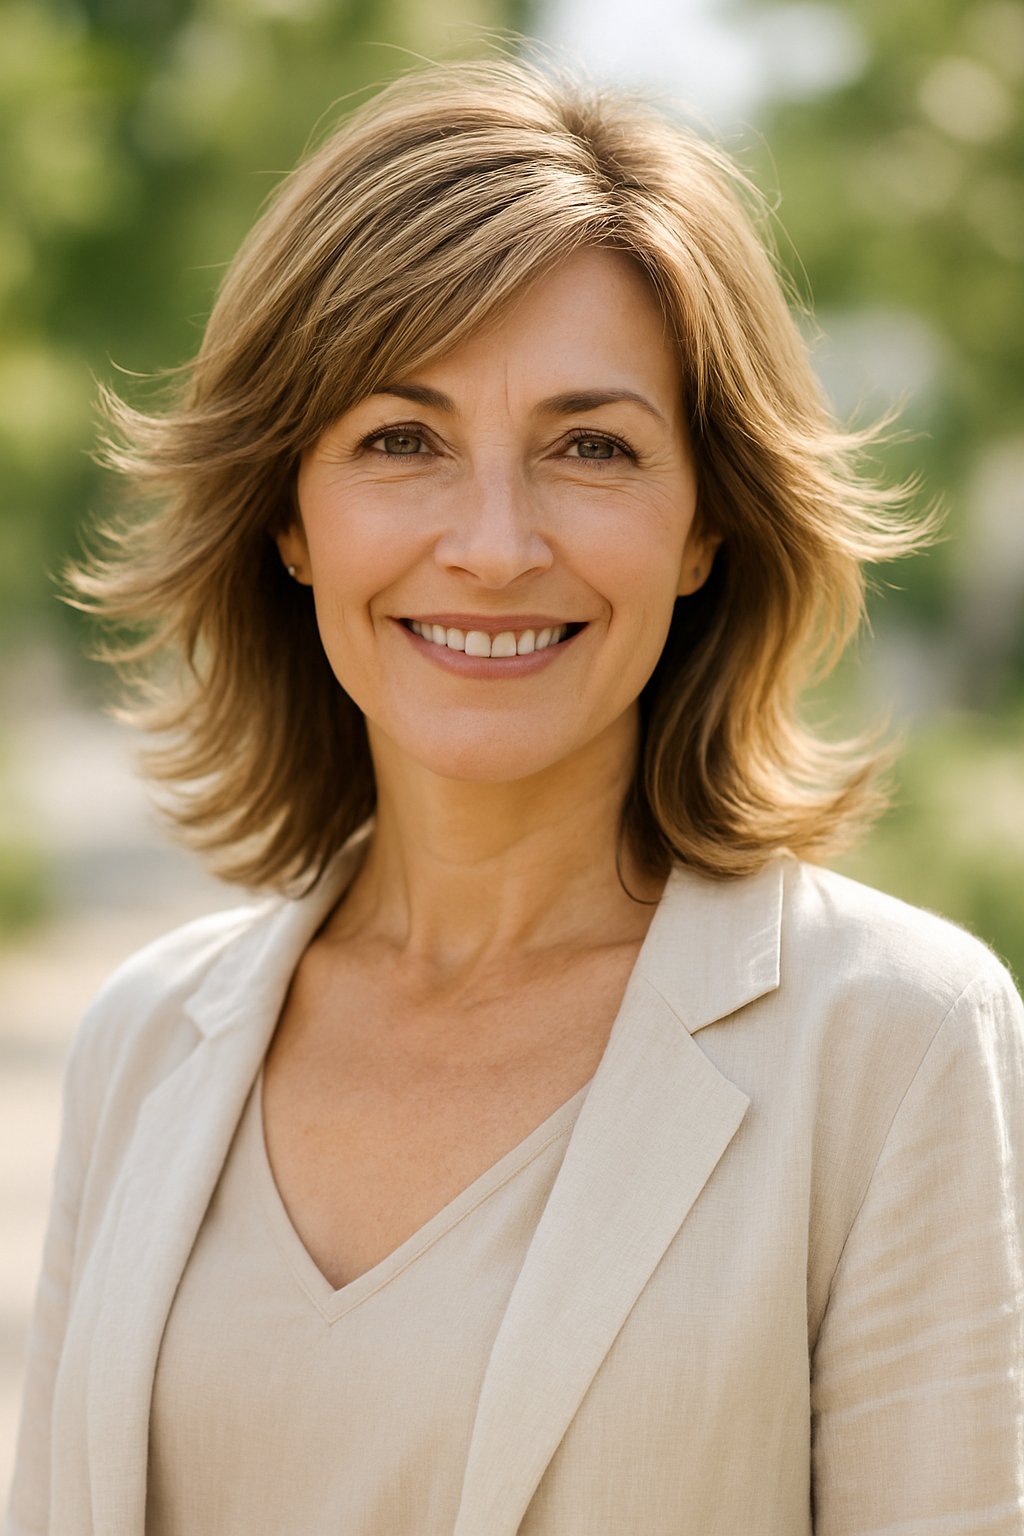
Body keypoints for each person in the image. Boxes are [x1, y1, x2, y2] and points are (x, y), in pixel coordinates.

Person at [6, 56, 1023, 1536]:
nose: (493, 546)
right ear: (291, 515)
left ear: (705, 525)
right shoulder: (145, 1042)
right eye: (400, 440)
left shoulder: (894, 1043)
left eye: (591, 448)